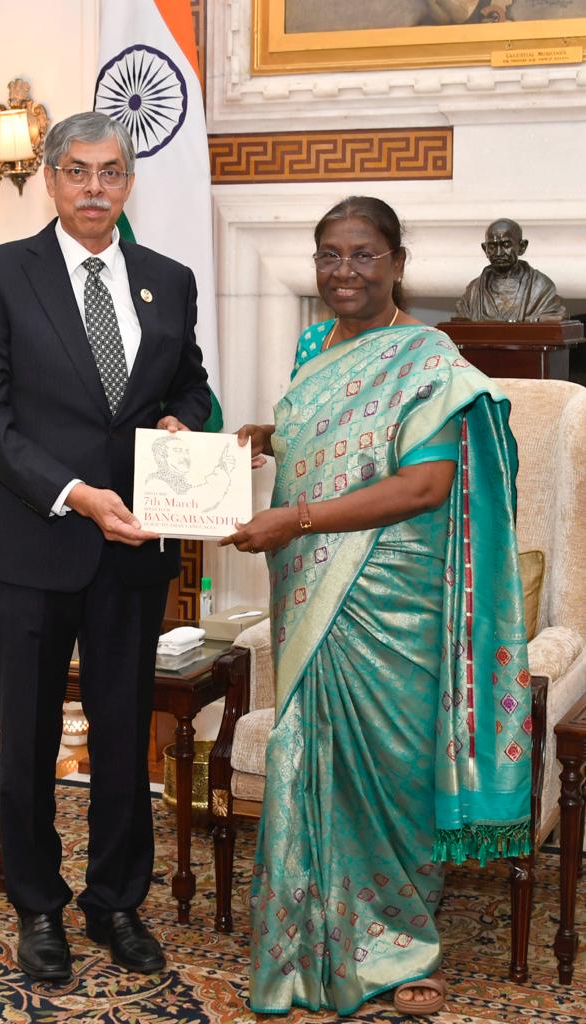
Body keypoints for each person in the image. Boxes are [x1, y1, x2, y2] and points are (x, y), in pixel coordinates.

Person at [220, 196, 531, 1017]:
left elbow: (422, 484)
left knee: (389, 771)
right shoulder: (316, 344)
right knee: (308, 754)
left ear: (396, 262)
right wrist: (261, 436)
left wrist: (297, 519)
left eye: (362, 255)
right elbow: (325, 440)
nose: (343, 272)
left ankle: (398, 949)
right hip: (310, 584)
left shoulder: (428, 355)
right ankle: (305, 933)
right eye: (328, 255)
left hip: (391, 595)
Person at [0, 111, 210, 982]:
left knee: (122, 730)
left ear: (128, 183)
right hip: (30, 546)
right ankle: (36, 906)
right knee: (24, 737)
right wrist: (73, 494)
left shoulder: (168, 281)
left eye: (111, 172)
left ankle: (116, 903)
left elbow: (192, 386)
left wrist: (185, 420)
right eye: (77, 171)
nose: (95, 187)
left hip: (130, 552)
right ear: (51, 179)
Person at [455, 218, 566, 321]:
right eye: (492, 246)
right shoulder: (473, 291)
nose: (498, 253)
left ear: (522, 247)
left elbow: (555, 317)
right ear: (485, 249)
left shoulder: (541, 287)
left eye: (506, 245)